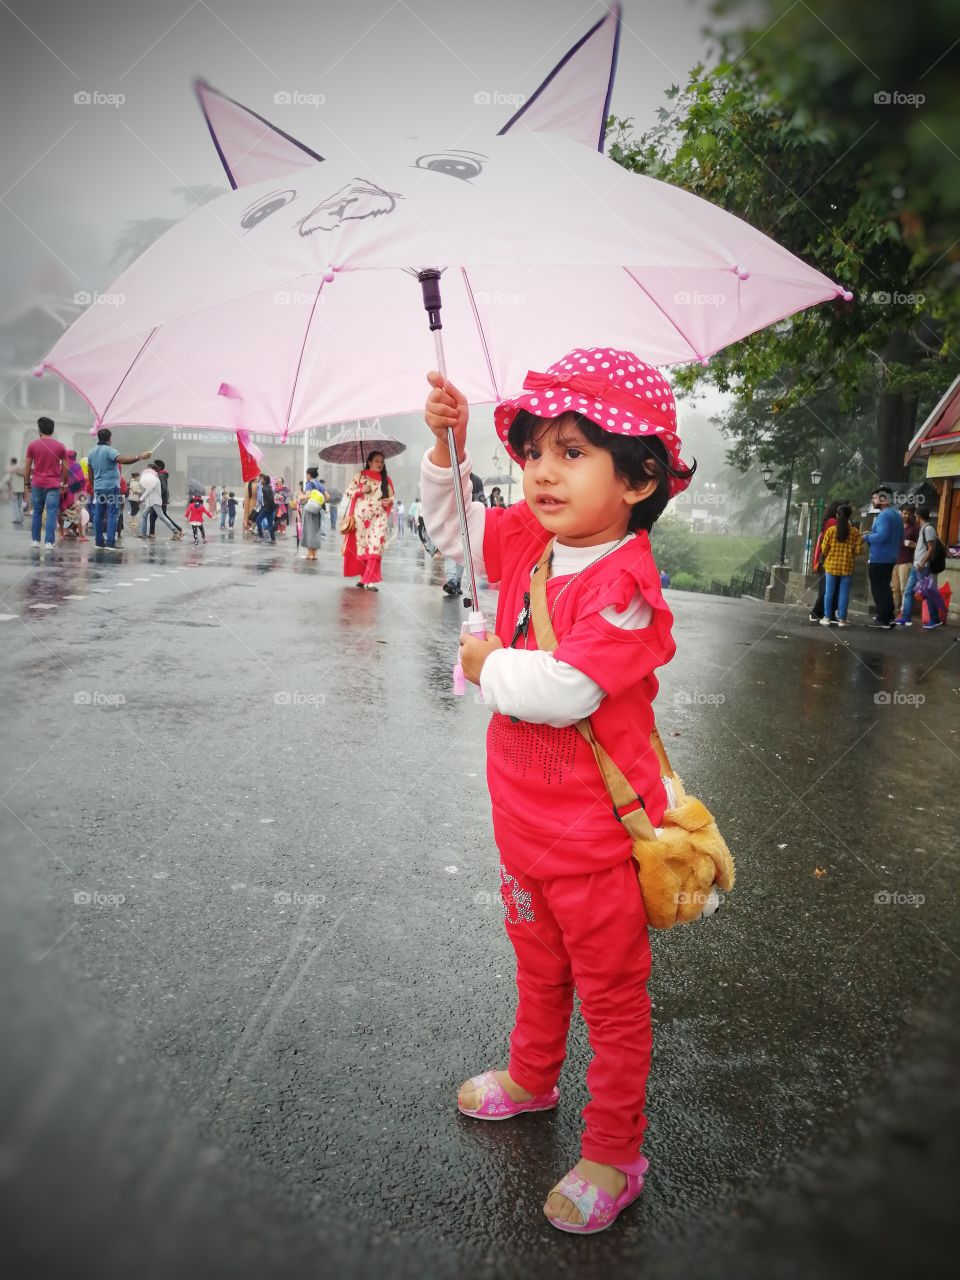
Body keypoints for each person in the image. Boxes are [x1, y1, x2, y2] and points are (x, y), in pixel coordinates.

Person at [421, 348, 697, 1234]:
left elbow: (568, 687)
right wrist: (443, 450)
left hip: (594, 847)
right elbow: (453, 529)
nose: (541, 468)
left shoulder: (628, 586)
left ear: (640, 476)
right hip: (523, 831)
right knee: (536, 964)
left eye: (573, 451)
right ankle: (531, 1077)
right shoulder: (533, 542)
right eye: (534, 447)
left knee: (614, 1000)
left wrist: (486, 663)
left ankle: (615, 1153)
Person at [86, 428, 150, 550]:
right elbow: (122, 460)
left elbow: (90, 472)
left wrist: (94, 486)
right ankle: (110, 542)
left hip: (99, 488)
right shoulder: (110, 451)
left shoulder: (92, 452)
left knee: (98, 514)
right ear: (109, 439)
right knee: (112, 513)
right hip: (111, 487)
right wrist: (139, 457)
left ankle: (99, 541)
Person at [341, 450, 394, 590]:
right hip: (360, 520)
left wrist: (388, 502)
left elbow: (392, 497)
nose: (380, 464)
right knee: (363, 548)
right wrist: (360, 490)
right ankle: (363, 578)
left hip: (379, 519)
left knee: (375, 547)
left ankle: (369, 581)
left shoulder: (386, 480)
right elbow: (348, 492)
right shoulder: (360, 476)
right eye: (376, 461)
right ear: (369, 462)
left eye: (382, 462)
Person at [896, 509, 948, 629]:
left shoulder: (928, 529)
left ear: (918, 516)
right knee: (909, 591)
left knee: (927, 592)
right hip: (917, 566)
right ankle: (906, 617)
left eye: (915, 516)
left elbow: (931, 548)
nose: (914, 518)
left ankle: (935, 619)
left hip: (922, 567)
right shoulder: (923, 529)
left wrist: (923, 562)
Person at [24, 417, 69, 552]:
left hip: (37, 483)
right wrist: (65, 483)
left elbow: (27, 467)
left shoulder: (32, 445)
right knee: (51, 513)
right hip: (53, 485)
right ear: (52, 429)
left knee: (37, 512)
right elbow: (66, 468)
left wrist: (27, 483)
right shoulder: (60, 446)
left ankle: (35, 541)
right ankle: (49, 542)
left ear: (39, 429)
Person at [818, 503, 864, 627]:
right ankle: (842, 619)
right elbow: (860, 550)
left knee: (829, 592)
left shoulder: (831, 531)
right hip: (847, 566)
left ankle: (827, 617)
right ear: (850, 516)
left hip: (831, 565)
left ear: (837, 515)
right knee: (844, 592)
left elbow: (824, 548)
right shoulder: (855, 532)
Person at [862, 487, 902, 628]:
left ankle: (882, 618)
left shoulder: (884, 516)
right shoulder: (897, 515)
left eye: (874, 498)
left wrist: (866, 537)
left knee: (878, 588)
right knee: (885, 586)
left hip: (879, 557)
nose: (873, 501)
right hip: (891, 557)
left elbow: (882, 535)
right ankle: (889, 617)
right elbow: (899, 537)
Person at [443, 473, 487, 595]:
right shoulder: (451, 478)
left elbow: (482, 503)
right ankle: (452, 579)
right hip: (452, 519)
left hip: (469, 521)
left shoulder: (476, 481)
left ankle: (455, 580)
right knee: (452, 549)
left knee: (462, 551)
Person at [809, 500, 841, 623]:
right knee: (827, 588)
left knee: (829, 588)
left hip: (828, 559)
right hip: (828, 560)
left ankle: (827, 613)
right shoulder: (833, 523)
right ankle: (816, 612)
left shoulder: (830, 521)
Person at [138, 464, 182, 539]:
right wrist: (143, 499)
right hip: (151, 502)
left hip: (155, 501)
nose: (148, 471)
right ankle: (143, 533)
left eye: (149, 469)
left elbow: (149, 490)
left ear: (154, 470)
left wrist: (141, 499)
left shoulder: (154, 478)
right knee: (144, 515)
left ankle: (175, 531)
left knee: (162, 517)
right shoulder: (153, 478)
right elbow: (149, 490)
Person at [892, 504, 919, 616]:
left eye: (909, 514)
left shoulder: (916, 528)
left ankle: (904, 611)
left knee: (904, 588)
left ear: (913, 514)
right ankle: (894, 611)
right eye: (904, 513)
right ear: (901, 513)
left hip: (906, 561)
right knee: (894, 588)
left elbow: (921, 545)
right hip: (894, 560)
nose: (906, 516)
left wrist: (913, 544)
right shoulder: (897, 526)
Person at [300, 467, 325, 561]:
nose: (306, 476)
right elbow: (327, 497)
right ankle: (314, 554)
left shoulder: (309, 484)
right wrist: (319, 503)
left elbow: (307, 496)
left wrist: (300, 497)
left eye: (307, 474)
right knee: (316, 531)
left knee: (309, 530)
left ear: (309, 474)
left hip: (309, 510)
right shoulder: (320, 485)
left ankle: (310, 554)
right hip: (317, 510)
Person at [6, 457, 25, 525]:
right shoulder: (20, 468)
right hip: (20, 489)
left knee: (14, 504)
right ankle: (21, 517)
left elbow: (8, 475)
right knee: (19, 504)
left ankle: (18, 518)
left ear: (11, 462)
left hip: (15, 489)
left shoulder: (13, 469)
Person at [257, 476, 277, 542]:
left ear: (265, 481)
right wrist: (274, 508)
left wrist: (273, 507)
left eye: (262, 479)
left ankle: (261, 536)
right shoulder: (268, 488)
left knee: (258, 520)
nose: (261, 480)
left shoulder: (265, 488)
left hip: (267, 508)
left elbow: (270, 499)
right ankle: (273, 539)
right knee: (270, 524)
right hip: (270, 508)